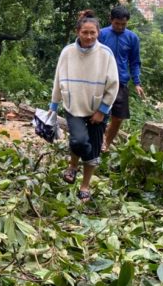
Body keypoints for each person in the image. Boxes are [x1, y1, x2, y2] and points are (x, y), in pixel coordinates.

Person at [50, 10, 119, 202]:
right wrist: (53, 105)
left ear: (98, 33)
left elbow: (114, 85)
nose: (89, 37)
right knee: (79, 141)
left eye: (93, 33)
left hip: (98, 109)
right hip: (73, 105)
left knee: (94, 147)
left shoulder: (105, 54)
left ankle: (85, 185)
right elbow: (58, 78)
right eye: (85, 32)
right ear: (77, 32)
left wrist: (103, 110)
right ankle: (72, 166)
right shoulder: (67, 52)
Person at [98, 5, 145, 152]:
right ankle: (96, 143)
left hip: (120, 82)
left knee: (118, 118)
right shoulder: (101, 34)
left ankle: (106, 143)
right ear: (111, 20)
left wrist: (137, 82)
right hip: (100, 82)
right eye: (117, 23)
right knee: (99, 115)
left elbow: (135, 62)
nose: (120, 27)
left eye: (123, 24)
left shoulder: (132, 38)